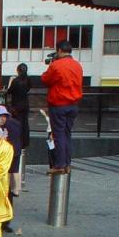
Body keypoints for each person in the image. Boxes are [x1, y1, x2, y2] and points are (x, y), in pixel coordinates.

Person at [40, 40, 83, 174]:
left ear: (59, 50)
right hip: (73, 104)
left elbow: (45, 79)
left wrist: (51, 65)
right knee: (67, 134)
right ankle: (67, 163)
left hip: (59, 104)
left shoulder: (56, 65)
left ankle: (59, 165)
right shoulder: (77, 65)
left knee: (58, 134)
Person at [0, 105, 23, 233]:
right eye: (0, 116)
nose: (3, 118)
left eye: (4, 116)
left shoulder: (6, 129)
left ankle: (4, 222)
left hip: (4, 167)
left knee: (6, 194)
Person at [6, 63, 31, 150]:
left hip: (16, 105)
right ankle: (25, 141)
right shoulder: (28, 80)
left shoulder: (16, 81)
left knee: (17, 123)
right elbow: (28, 89)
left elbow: (9, 91)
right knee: (25, 123)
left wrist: (10, 81)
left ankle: (18, 140)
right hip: (25, 104)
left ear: (18, 71)